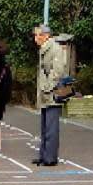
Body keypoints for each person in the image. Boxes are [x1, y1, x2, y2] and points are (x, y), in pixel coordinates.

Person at [32, 24, 68, 166]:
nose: (36, 38)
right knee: (44, 126)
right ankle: (43, 155)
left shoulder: (55, 48)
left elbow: (57, 72)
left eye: (38, 35)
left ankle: (50, 158)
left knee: (51, 127)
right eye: (35, 35)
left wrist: (47, 87)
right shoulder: (44, 48)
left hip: (52, 93)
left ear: (46, 36)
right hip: (45, 93)